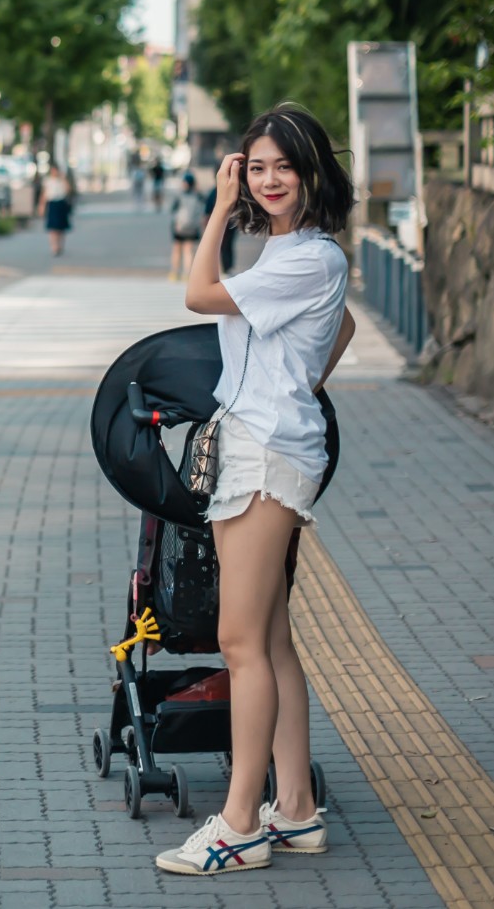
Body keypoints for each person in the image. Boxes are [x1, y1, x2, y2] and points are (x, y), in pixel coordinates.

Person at [158, 104, 356, 876]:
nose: (271, 180)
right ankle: (297, 808)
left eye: (283, 166)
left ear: (311, 172)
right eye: (258, 165)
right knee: (270, 639)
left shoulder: (308, 256)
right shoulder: (291, 254)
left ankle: (241, 821)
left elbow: (197, 294)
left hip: (266, 454)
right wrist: (297, 386)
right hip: (268, 442)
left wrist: (215, 208)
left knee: (239, 640)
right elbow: (338, 335)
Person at [168, 169, 205, 280]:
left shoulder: (179, 195)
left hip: (179, 227)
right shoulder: (199, 196)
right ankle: (187, 274)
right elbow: (203, 209)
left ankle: (174, 272)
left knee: (176, 249)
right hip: (192, 227)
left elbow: (173, 210)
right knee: (188, 250)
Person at [40, 162, 73, 256]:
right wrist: (42, 206)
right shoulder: (48, 181)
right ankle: (54, 247)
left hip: (61, 203)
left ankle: (60, 245)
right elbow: (44, 194)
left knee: (61, 228)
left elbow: (68, 190)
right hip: (52, 203)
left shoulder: (62, 180)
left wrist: (63, 178)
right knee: (53, 228)